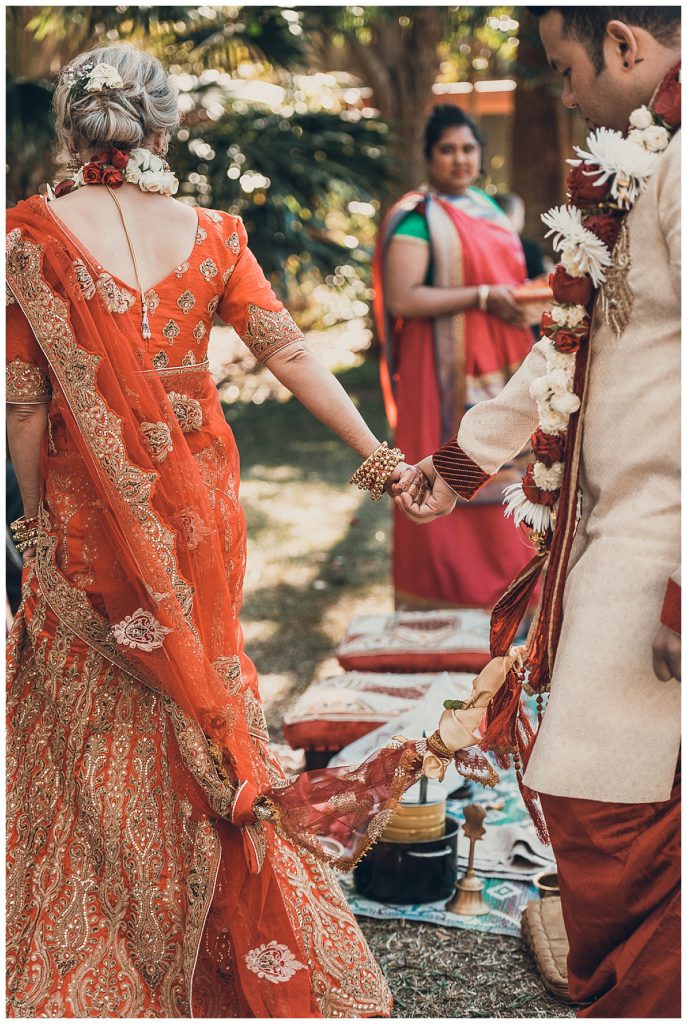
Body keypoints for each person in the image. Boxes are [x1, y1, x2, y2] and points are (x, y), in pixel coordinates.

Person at [5, 44, 427, 1018]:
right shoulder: (215, 233)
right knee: (204, 711)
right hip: (202, 519)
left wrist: (29, 518)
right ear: (164, 128)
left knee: (97, 725)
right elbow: (289, 353)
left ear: (74, 129)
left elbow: (24, 403)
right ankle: (223, 916)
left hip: (84, 518)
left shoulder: (29, 235)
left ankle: (126, 925)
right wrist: (377, 453)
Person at [397, 8, 681, 1017]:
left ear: (626, 43)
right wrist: (462, 462)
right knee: (601, 789)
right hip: (617, 525)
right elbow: (572, 345)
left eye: (565, 70)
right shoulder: (645, 162)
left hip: (666, 542)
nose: (562, 95)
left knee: (604, 799)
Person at [373, 105, 535, 610]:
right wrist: (484, 296)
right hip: (438, 367)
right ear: (429, 157)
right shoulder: (419, 218)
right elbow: (404, 298)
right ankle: (441, 597)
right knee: (440, 456)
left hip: (504, 354)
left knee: (511, 462)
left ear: (481, 156)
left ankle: (510, 594)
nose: (459, 159)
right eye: (447, 149)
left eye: (468, 148)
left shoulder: (490, 209)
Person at [493, 191, 553, 281]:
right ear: (510, 216)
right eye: (521, 214)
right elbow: (541, 281)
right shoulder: (529, 248)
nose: (522, 220)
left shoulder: (480, 246)